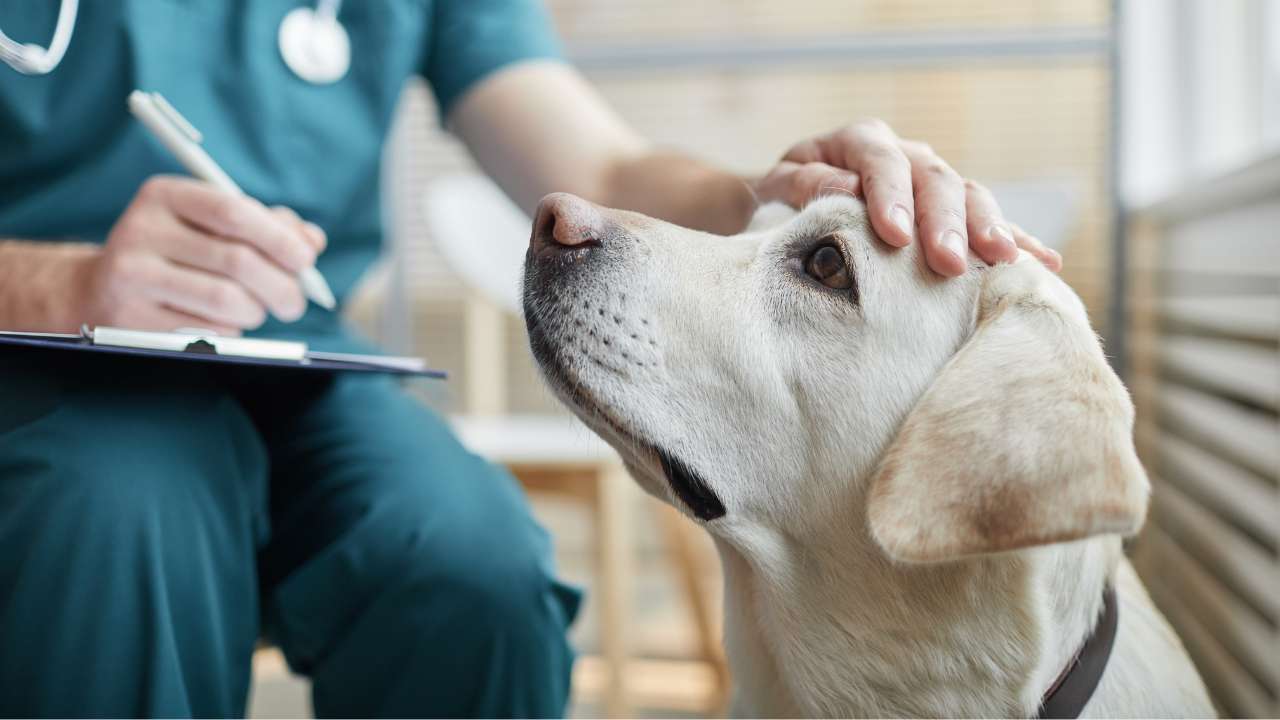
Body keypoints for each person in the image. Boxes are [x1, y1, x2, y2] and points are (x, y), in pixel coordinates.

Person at [0, 0, 1059, 717]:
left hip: (295, 356)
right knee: (113, 515)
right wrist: (56, 283)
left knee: (474, 564)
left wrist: (772, 193)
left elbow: (595, 161)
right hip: (37, 359)